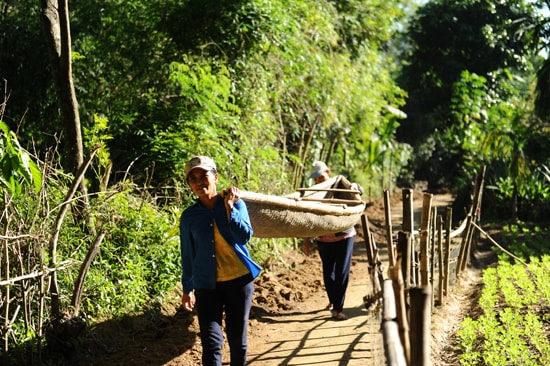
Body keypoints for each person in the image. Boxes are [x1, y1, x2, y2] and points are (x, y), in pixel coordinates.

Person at [180, 155, 262, 366]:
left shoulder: (236, 204)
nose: (199, 182)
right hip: (206, 285)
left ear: (215, 177)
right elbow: (188, 253)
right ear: (190, 184)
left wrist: (229, 208)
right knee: (211, 342)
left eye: (203, 176)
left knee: (237, 340)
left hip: (239, 281)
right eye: (193, 178)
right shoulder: (189, 216)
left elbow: (244, 236)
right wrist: (187, 288)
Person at [301, 161, 363, 321]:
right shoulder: (313, 194)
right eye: (315, 179)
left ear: (328, 172)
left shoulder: (340, 185)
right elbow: (308, 219)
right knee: (328, 273)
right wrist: (306, 240)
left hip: (344, 237)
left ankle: (338, 309)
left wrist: (356, 186)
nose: (319, 181)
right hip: (324, 239)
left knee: (342, 272)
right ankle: (332, 300)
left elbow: (358, 191)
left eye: (321, 177)